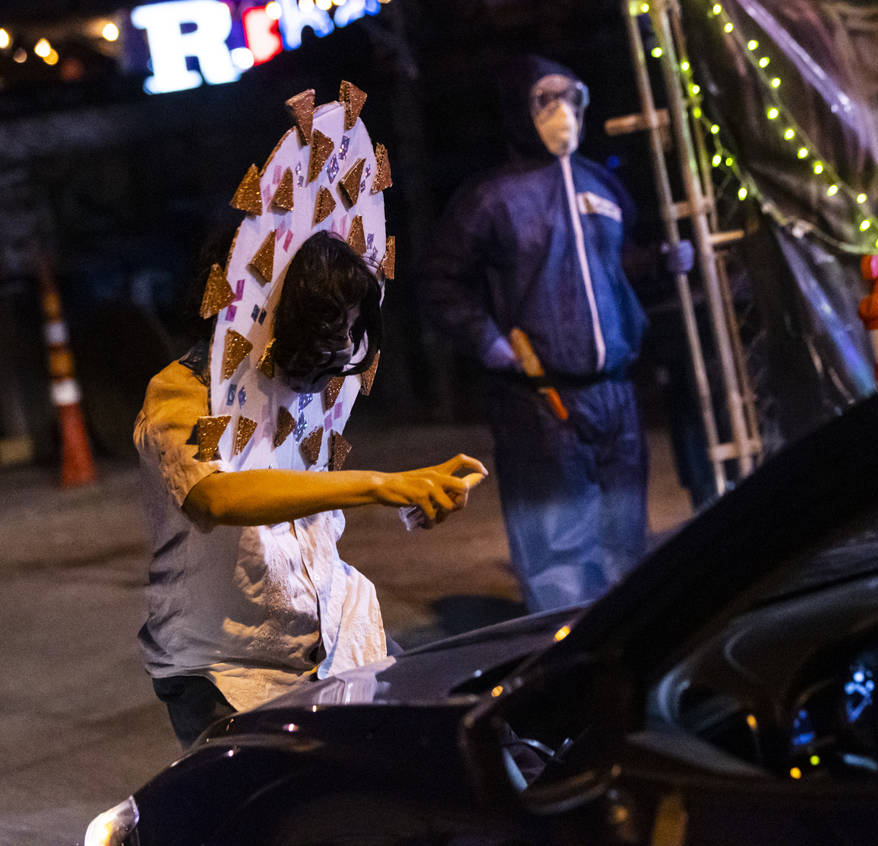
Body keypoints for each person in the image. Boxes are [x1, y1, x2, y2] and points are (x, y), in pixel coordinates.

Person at [135, 231, 486, 747]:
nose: (344, 346)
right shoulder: (183, 391)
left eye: (348, 327)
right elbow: (217, 496)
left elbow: (304, 499)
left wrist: (416, 495)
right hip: (228, 666)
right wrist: (378, 485)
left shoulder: (299, 379)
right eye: (331, 327)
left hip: (339, 629)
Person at [420, 55, 691, 612]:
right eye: (546, 100)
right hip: (540, 399)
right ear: (521, 110)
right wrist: (489, 342)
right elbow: (441, 280)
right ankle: (563, 651)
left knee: (625, 537)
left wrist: (662, 259)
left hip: (614, 392)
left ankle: (626, 645)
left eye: (570, 98)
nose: (562, 112)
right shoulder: (491, 198)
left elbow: (612, 269)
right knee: (558, 547)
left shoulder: (603, 187)